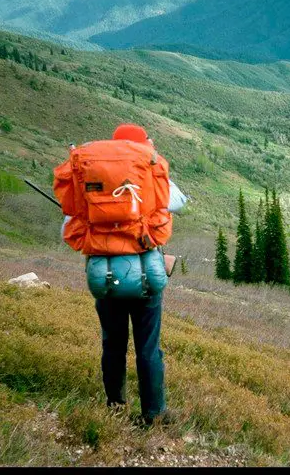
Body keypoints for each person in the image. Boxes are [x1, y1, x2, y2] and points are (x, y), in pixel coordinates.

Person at [61, 124, 187, 426]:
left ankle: (115, 405)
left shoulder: (91, 176)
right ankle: (154, 414)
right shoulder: (148, 172)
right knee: (148, 347)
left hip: (105, 276)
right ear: (142, 146)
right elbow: (180, 202)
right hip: (147, 275)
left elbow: (67, 225)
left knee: (113, 343)